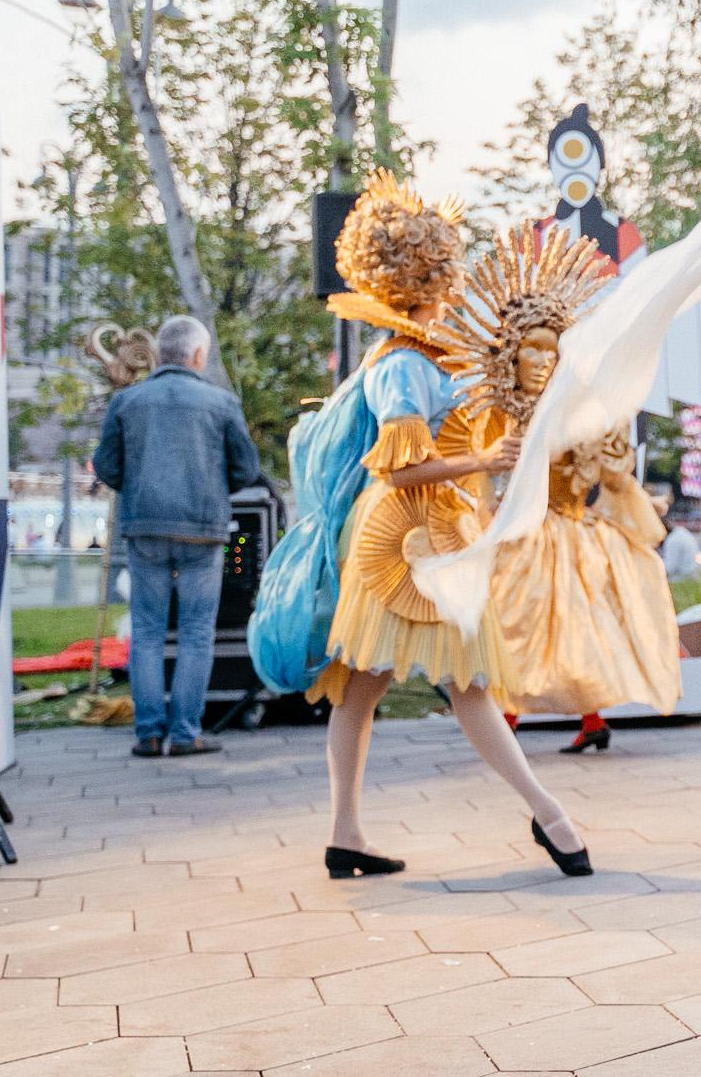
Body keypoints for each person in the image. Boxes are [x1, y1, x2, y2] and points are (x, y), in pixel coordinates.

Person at [250, 172, 595, 881]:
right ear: (429, 280)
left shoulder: (422, 357)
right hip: (405, 540)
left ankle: (347, 834)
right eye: (447, 270)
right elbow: (400, 470)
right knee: (460, 680)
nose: (455, 283)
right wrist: (482, 459)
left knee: (366, 689)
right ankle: (548, 814)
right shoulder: (401, 365)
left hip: (429, 534)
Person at [435, 224, 682, 756]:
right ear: (512, 353)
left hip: (567, 530)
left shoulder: (576, 408)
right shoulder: (499, 410)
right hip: (523, 529)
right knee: (522, 623)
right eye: (532, 348)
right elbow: (482, 471)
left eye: (553, 350)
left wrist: (630, 491)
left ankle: (524, 721)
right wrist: (485, 514)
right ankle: (554, 720)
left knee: (567, 627)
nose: (544, 360)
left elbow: (607, 471)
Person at [93, 314, 262, 758]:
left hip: (145, 527)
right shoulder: (221, 402)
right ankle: (186, 734)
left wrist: (138, 487)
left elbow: (106, 466)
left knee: (147, 632)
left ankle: (148, 734)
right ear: (198, 355)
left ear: (158, 353)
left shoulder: (127, 401)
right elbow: (246, 469)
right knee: (196, 633)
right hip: (203, 529)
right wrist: (213, 489)